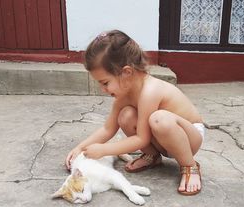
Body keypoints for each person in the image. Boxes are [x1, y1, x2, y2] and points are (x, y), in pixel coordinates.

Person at [65, 30, 205, 195]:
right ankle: (152, 156)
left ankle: (190, 166)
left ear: (126, 72)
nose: (103, 90)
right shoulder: (124, 97)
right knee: (125, 115)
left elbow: (142, 138)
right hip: (164, 138)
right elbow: (108, 129)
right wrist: (80, 148)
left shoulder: (150, 91)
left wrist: (104, 150)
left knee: (158, 119)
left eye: (105, 83)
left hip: (189, 138)